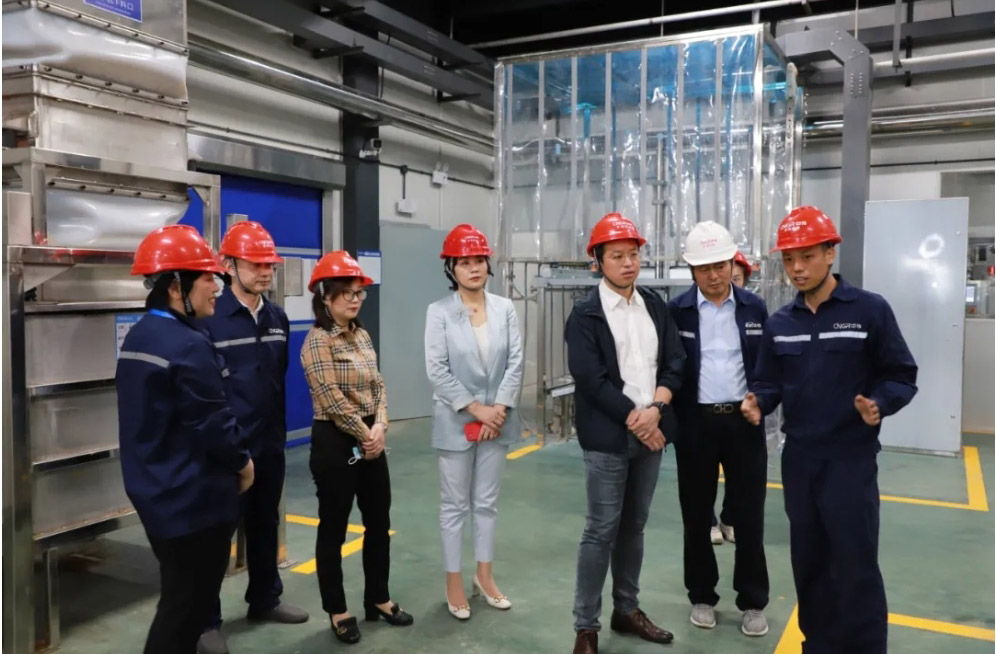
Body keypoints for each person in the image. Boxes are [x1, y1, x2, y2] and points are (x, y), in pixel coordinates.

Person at [741, 206, 918, 654]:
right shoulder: (781, 323)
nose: (797, 268)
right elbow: (768, 382)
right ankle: (817, 645)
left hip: (850, 460)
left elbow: (901, 374)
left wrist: (879, 405)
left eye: (807, 257)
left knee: (855, 564)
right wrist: (758, 401)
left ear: (829, 253)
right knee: (810, 562)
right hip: (800, 460)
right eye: (789, 259)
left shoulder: (869, 311)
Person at [116, 225, 254, 654]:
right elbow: (212, 423)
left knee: (179, 600)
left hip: (156, 492)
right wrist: (243, 462)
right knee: (185, 611)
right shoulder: (187, 344)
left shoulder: (140, 335)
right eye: (208, 278)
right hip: (193, 502)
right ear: (176, 287)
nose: (217, 287)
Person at [565, 212, 686, 654]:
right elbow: (591, 379)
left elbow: (675, 361)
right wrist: (639, 419)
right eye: (616, 256)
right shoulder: (585, 314)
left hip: (651, 432)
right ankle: (586, 626)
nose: (628, 263)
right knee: (601, 530)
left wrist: (657, 410)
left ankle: (627, 609)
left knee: (634, 527)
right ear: (597, 261)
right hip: (608, 438)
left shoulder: (654, 305)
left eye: (633, 254)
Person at [198, 222, 308, 654]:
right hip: (228, 448)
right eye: (256, 264)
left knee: (265, 523)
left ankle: (265, 599)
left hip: (269, 443)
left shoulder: (278, 318)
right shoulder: (211, 320)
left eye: (270, 265)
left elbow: (276, 378)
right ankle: (204, 622)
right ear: (229, 266)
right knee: (217, 533)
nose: (265, 272)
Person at [300, 250, 414, 645]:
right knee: (333, 527)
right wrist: (366, 434)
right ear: (325, 296)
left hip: (370, 436)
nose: (355, 299)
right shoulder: (317, 342)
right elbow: (331, 399)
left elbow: (378, 385)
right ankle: (338, 610)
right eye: (346, 292)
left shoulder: (361, 335)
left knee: (378, 522)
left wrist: (380, 425)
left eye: (359, 291)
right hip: (335, 441)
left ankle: (378, 598)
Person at [669, 222, 770, 637]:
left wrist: (760, 400)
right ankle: (701, 596)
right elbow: (668, 367)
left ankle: (753, 601)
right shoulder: (676, 311)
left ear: (732, 264)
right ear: (691, 270)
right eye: (703, 268)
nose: (713, 276)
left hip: (744, 424)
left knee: (749, 517)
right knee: (696, 516)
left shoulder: (754, 308)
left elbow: (767, 366)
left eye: (720, 266)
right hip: (696, 425)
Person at [424, 224, 524, 621]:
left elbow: (515, 361)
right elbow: (437, 369)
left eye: (479, 260)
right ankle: (453, 581)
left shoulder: (505, 308)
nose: (474, 268)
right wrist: (476, 409)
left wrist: (498, 409)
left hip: (498, 420)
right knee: (454, 506)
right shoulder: (439, 312)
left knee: (486, 503)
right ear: (451, 268)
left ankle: (484, 576)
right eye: (464, 262)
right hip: (457, 421)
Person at [710, 249, 752, 545]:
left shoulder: (753, 310)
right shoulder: (685, 310)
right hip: (704, 413)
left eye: (736, 278)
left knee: (740, 477)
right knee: (703, 477)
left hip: (741, 411)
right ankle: (710, 522)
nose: (726, 282)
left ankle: (728, 518)